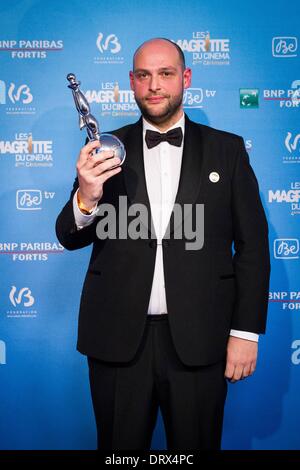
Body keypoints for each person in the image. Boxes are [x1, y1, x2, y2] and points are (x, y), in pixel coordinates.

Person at [56, 38, 270, 450]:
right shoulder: (104, 150)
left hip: (200, 340)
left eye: (166, 74)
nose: (155, 85)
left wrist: (245, 332)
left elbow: (253, 247)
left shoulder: (227, 150)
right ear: (132, 83)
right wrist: (86, 195)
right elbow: (68, 236)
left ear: (185, 78)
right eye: (144, 75)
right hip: (117, 342)